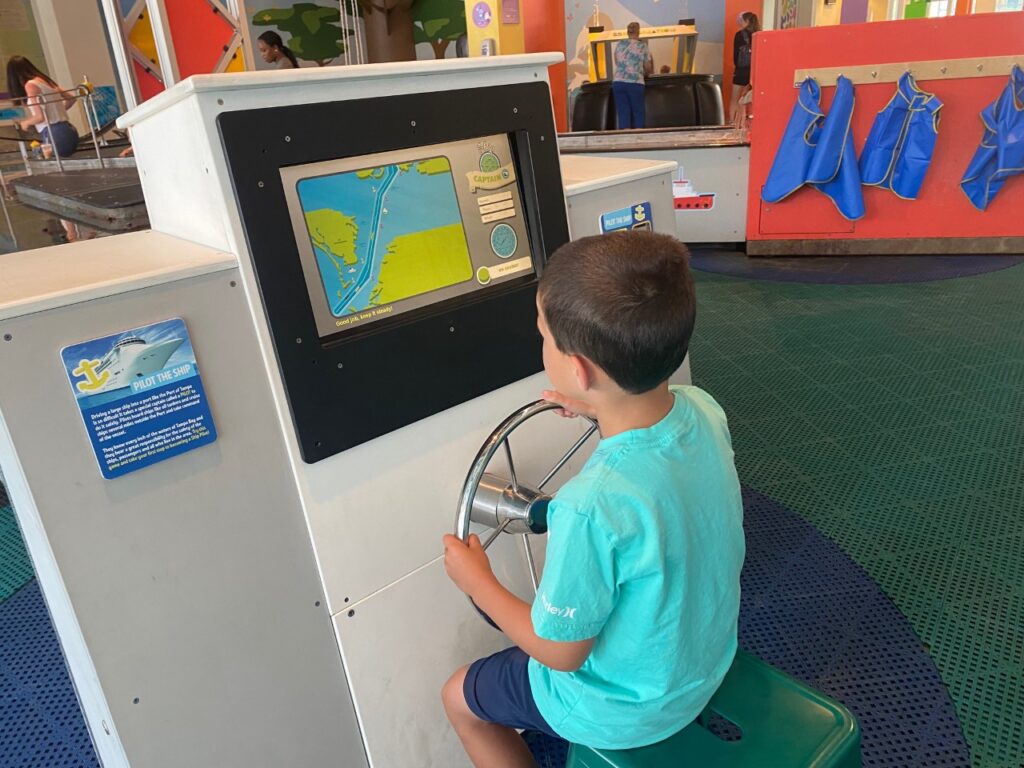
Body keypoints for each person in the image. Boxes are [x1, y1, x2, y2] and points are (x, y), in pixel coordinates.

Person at [441, 231, 745, 768]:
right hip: (704, 664)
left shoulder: (588, 506)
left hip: (620, 707)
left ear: (577, 370)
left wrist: (479, 583)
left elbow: (561, 652)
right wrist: (596, 409)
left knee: (460, 697)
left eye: (543, 338)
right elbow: (654, 469)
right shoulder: (704, 409)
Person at [6, 55, 80, 159]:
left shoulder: (30, 85)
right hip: (69, 130)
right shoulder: (46, 81)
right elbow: (71, 98)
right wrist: (57, 112)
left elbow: (40, 117)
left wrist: (25, 123)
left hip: (54, 134)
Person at [611, 22, 653, 130]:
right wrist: (646, 72)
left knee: (623, 112)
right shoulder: (642, 46)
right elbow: (648, 67)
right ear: (638, 31)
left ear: (627, 32)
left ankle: (625, 139)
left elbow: (617, 62)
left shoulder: (620, 44)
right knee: (638, 112)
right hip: (635, 83)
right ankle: (638, 139)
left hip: (618, 82)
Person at [730, 12, 759, 127]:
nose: (740, 22)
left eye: (742, 20)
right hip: (754, 71)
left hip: (741, 71)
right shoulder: (759, 34)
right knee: (746, 98)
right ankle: (745, 123)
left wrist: (737, 67)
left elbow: (735, 55)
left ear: (747, 21)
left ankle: (732, 123)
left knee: (735, 99)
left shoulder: (739, 35)